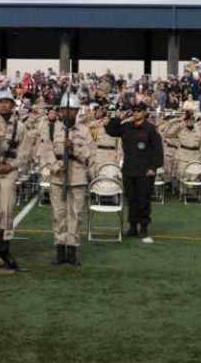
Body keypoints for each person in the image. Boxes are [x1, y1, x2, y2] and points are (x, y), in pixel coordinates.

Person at [40, 93, 94, 266]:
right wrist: (56, 167)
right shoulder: (52, 129)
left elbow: (89, 154)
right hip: (58, 176)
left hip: (77, 176)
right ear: (61, 111)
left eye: (72, 110)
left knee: (75, 215)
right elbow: (46, 152)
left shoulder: (84, 131)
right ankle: (60, 249)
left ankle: (72, 250)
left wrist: (74, 149)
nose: (68, 113)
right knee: (58, 214)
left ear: (77, 111)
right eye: (65, 110)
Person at [105, 102, 163, 238]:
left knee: (143, 199)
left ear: (144, 112)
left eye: (138, 111)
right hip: (130, 169)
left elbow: (158, 150)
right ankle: (132, 226)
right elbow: (111, 131)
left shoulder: (150, 129)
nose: (135, 113)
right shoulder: (127, 126)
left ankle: (143, 226)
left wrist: (153, 168)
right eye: (134, 110)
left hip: (145, 170)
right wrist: (118, 118)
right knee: (131, 199)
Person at [0, 89, 27, 268]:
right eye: (0, 101)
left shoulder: (20, 126)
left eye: (6, 101)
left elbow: (25, 151)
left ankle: (5, 248)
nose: (3, 104)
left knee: (7, 209)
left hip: (9, 171)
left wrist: (12, 166)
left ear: (12, 104)